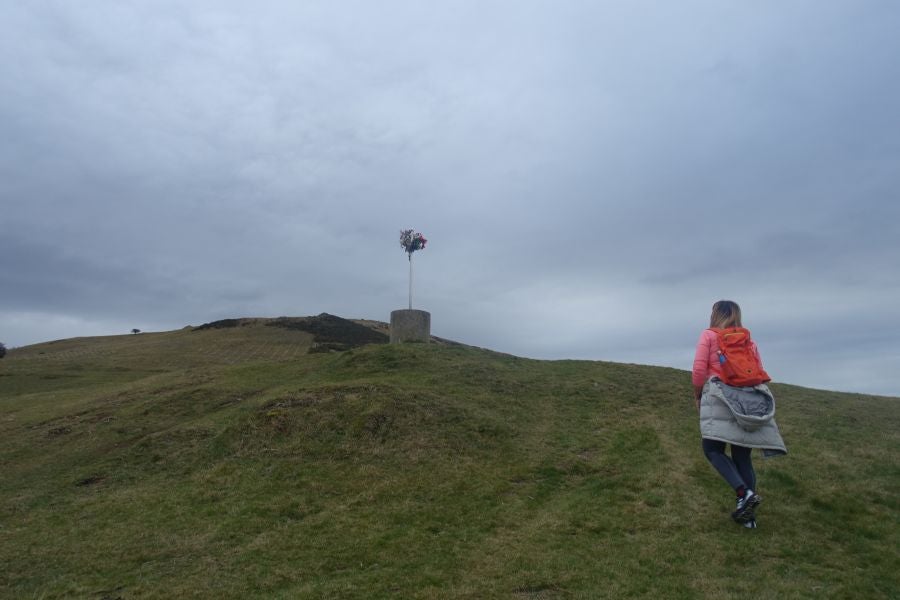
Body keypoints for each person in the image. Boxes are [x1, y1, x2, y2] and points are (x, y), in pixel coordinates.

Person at [692, 300, 787, 529]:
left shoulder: (709, 335)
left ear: (715, 315)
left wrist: (697, 396)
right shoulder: (748, 341)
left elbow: (698, 371)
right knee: (742, 456)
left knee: (712, 449)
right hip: (746, 401)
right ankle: (748, 516)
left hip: (720, 398)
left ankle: (743, 493)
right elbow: (758, 372)